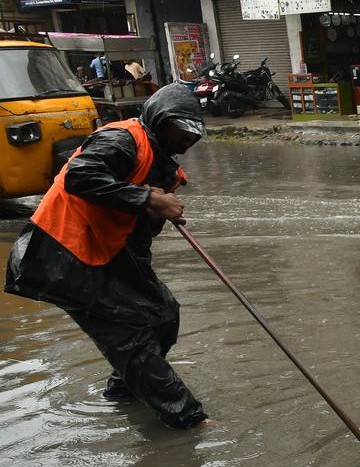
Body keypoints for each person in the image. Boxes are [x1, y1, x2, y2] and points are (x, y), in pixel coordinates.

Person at [5, 83, 211, 430]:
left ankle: (125, 389)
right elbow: (79, 176)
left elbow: (137, 237)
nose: (189, 138)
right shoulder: (122, 140)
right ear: (160, 120)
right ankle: (189, 422)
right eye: (182, 127)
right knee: (129, 335)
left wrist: (153, 210)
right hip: (62, 258)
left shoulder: (162, 165)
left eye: (194, 132)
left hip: (109, 256)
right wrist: (148, 200)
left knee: (162, 314)